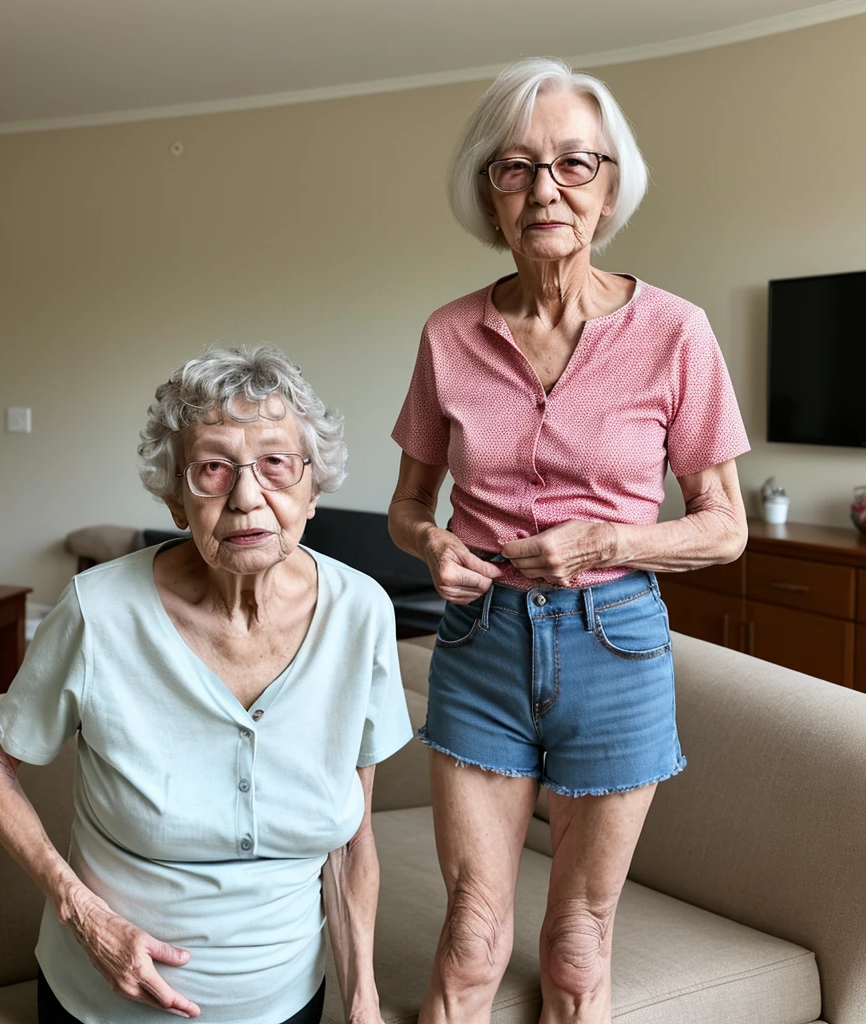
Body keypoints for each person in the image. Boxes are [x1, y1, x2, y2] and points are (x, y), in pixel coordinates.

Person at [388, 57, 749, 1024]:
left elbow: (726, 528)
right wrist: (430, 546)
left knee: (579, 947)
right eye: (516, 167)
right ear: (489, 195)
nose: (546, 188)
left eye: (573, 164)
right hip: (480, 643)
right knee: (469, 935)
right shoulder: (448, 335)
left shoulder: (676, 332)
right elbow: (407, 505)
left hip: (615, 641)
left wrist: (601, 543)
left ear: (609, 186)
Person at [0, 344, 412, 1024]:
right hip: (100, 1006)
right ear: (176, 500)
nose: (245, 496)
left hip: (289, 1004)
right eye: (211, 468)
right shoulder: (99, 611)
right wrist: (81, 912)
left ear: (313, 489)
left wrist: (364, 1004)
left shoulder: (362, 615)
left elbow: (350, 842)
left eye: (275, 464)